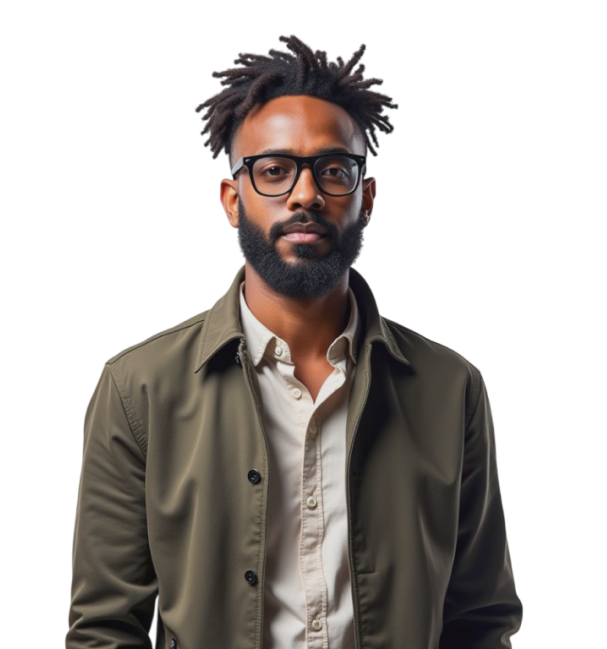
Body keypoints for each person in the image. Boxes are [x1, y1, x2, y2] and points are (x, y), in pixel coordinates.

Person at [67, 33, 522, 649]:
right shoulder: (138, 388)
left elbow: (481, 619)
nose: (305, 195)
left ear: (366, 198)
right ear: (232, 200)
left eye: (333, 170)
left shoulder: (450, 387)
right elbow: (105, 629)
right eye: (274, 171)